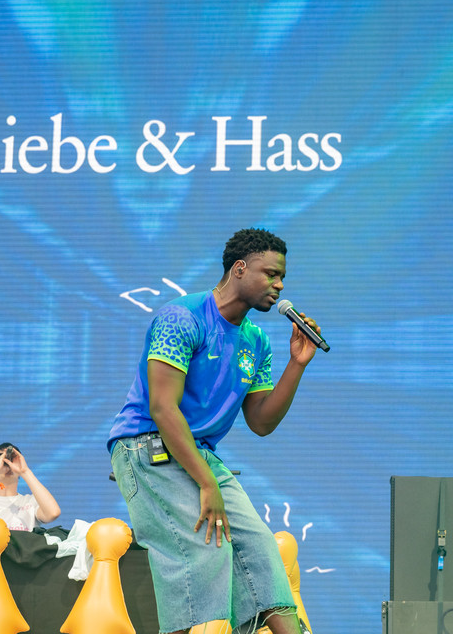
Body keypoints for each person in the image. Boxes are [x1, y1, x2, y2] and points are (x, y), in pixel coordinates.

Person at [108, 228, 321, 634]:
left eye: (282, 277)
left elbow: (261, 421)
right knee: (206, 552)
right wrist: (208, 484)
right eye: (271, 274)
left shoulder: (256, 340)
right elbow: (162, 407)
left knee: (259, 546)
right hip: (145, 445)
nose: (279, 285)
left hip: (198, 452)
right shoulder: (181, 317)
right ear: (239, 269)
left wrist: (297, 363)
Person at [0, 442, 61, 531]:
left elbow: (53, 513)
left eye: (12, 458)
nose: (6, 461)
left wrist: (25, 472)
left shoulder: (31, 502)